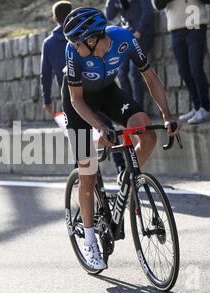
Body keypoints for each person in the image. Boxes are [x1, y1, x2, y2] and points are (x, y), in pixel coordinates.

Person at [62, 7, 180, 269]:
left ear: (92, 39)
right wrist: (100, 126)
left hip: (107, 92)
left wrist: (168, 114)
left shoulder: (124, 38)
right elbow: (76, 99)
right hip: (78, 104)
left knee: (146, 133)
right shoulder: (73, 53)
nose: (74, 47)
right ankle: (90, 241)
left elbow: (149, 76)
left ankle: (127, 178)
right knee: (88, 170)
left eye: (78, 42)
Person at [41, 1, 125, 171]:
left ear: (55, 18)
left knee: (79, 136)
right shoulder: (86, 37)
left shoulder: (49, 43)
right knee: (107, 127)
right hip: (96, 87)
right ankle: (120, 166)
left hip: (72, 95)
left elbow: (45, 74)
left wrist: (47, 99)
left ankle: (82, 173)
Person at [152, 0, 210, 124]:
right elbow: (157, 5)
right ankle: (197, 107)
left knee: (196, 68)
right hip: (176, 28)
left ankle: (205, 108)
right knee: (184, 71)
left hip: (195, 22)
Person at [105, 0, 155, 108]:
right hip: (127, 37)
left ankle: (139, 109)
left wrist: (139, 31)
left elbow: (148, 11)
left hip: (141, 36)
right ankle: (130, 109)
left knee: (134, 72)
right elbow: (110, 15)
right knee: (122, 73)